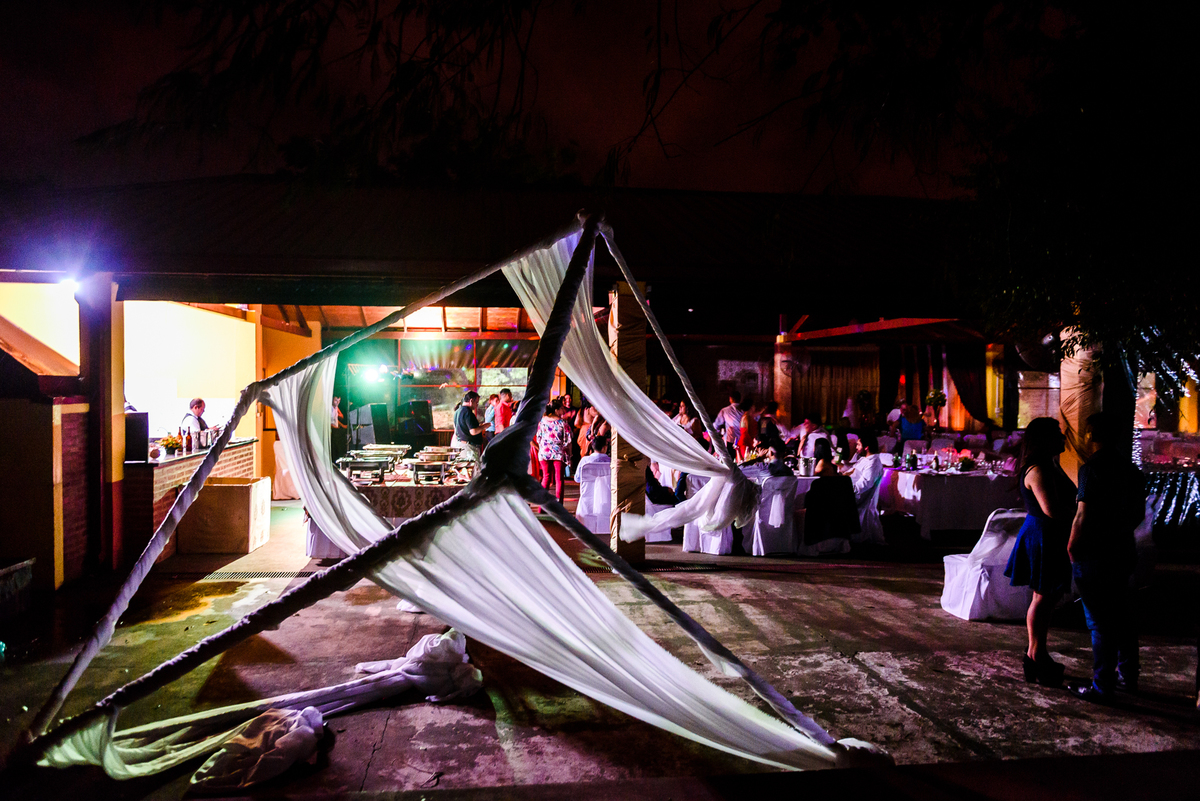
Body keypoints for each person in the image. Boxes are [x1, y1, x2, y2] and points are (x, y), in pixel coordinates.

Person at [1067, 412, 1145, 702]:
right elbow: (1138, 514)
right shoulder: (1131, 471)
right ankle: (1128, 676)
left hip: (1094, 553)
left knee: (1100, 621)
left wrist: (1072, 547)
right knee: (1122, 616)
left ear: (1092, 436)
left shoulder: (1091, 469)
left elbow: (1082, 515)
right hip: (1122, 549)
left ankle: (1102, 685)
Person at [1004, 417, 1077, 687]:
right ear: (1044, 439)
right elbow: (1052, 510)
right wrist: (1083, 517)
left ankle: (1036, 654)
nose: (1063, 437)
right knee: (1043, 598)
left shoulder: (1047, 465)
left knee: (1045, 597)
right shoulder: (1039, 469)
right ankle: (1035, 655)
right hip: (1045, 535)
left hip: (1046, 533)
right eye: (1057, 433)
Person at [536, 400, 571, 505]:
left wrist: (545, 446)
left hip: (544, 452)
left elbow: (538, 438)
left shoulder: (542, 421)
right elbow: (567, 440)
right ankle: (559, 506)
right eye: (561, 408)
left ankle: (542, 506)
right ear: (556, 410)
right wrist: (569, 453)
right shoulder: (563, 423)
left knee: (546, 477)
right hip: (558, 453)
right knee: (559, 479)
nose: (563, 410)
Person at [454, 391, 486, 464]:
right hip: (469, 447)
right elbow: (473, 431)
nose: (477, 405)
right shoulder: (468, 412)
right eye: (476, 402)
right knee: (472, 468)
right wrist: (484, 426)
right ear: (471, 401)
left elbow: (456, 430)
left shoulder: (457, 411)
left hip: (460, 444)